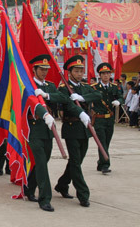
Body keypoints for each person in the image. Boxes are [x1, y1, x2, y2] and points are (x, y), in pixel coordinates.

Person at [24, 55, 76, 212]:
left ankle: (29, 187)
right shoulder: (28, 85)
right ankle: (44, 198)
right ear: (34, 70)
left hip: (48, 130)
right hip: (34, 128)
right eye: (41, 69)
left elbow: (63, 97)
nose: (44, 72)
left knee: (43, 161)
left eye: (46, 70)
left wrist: (47, 95)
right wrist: (43, 112)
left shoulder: (50, 85)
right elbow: (31, 101)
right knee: (40, 162)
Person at [55, 55, 100, 207]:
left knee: (77, 161)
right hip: (71, 128)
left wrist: (82, 97)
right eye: (77, 71)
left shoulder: (84, 87)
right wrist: (77, 107)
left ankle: (62, 184)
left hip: (84, 129)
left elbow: (97, 94)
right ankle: (83, 194)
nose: (80, 74)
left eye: (81, 71)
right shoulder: (63, 88)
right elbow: (66, 104)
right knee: (75, 161)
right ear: (70, 72)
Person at [91, 63, 124, 174]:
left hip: (110, 119)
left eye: (108, 73)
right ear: (100, 75)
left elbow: (120, 96)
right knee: (102, 141)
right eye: (103, 73)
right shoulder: (94, 87)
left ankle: (101, 162)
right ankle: (105, 164)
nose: (106, 75)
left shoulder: (114, 87)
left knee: (107, 141)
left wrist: (119, 101)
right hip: (99, 119)